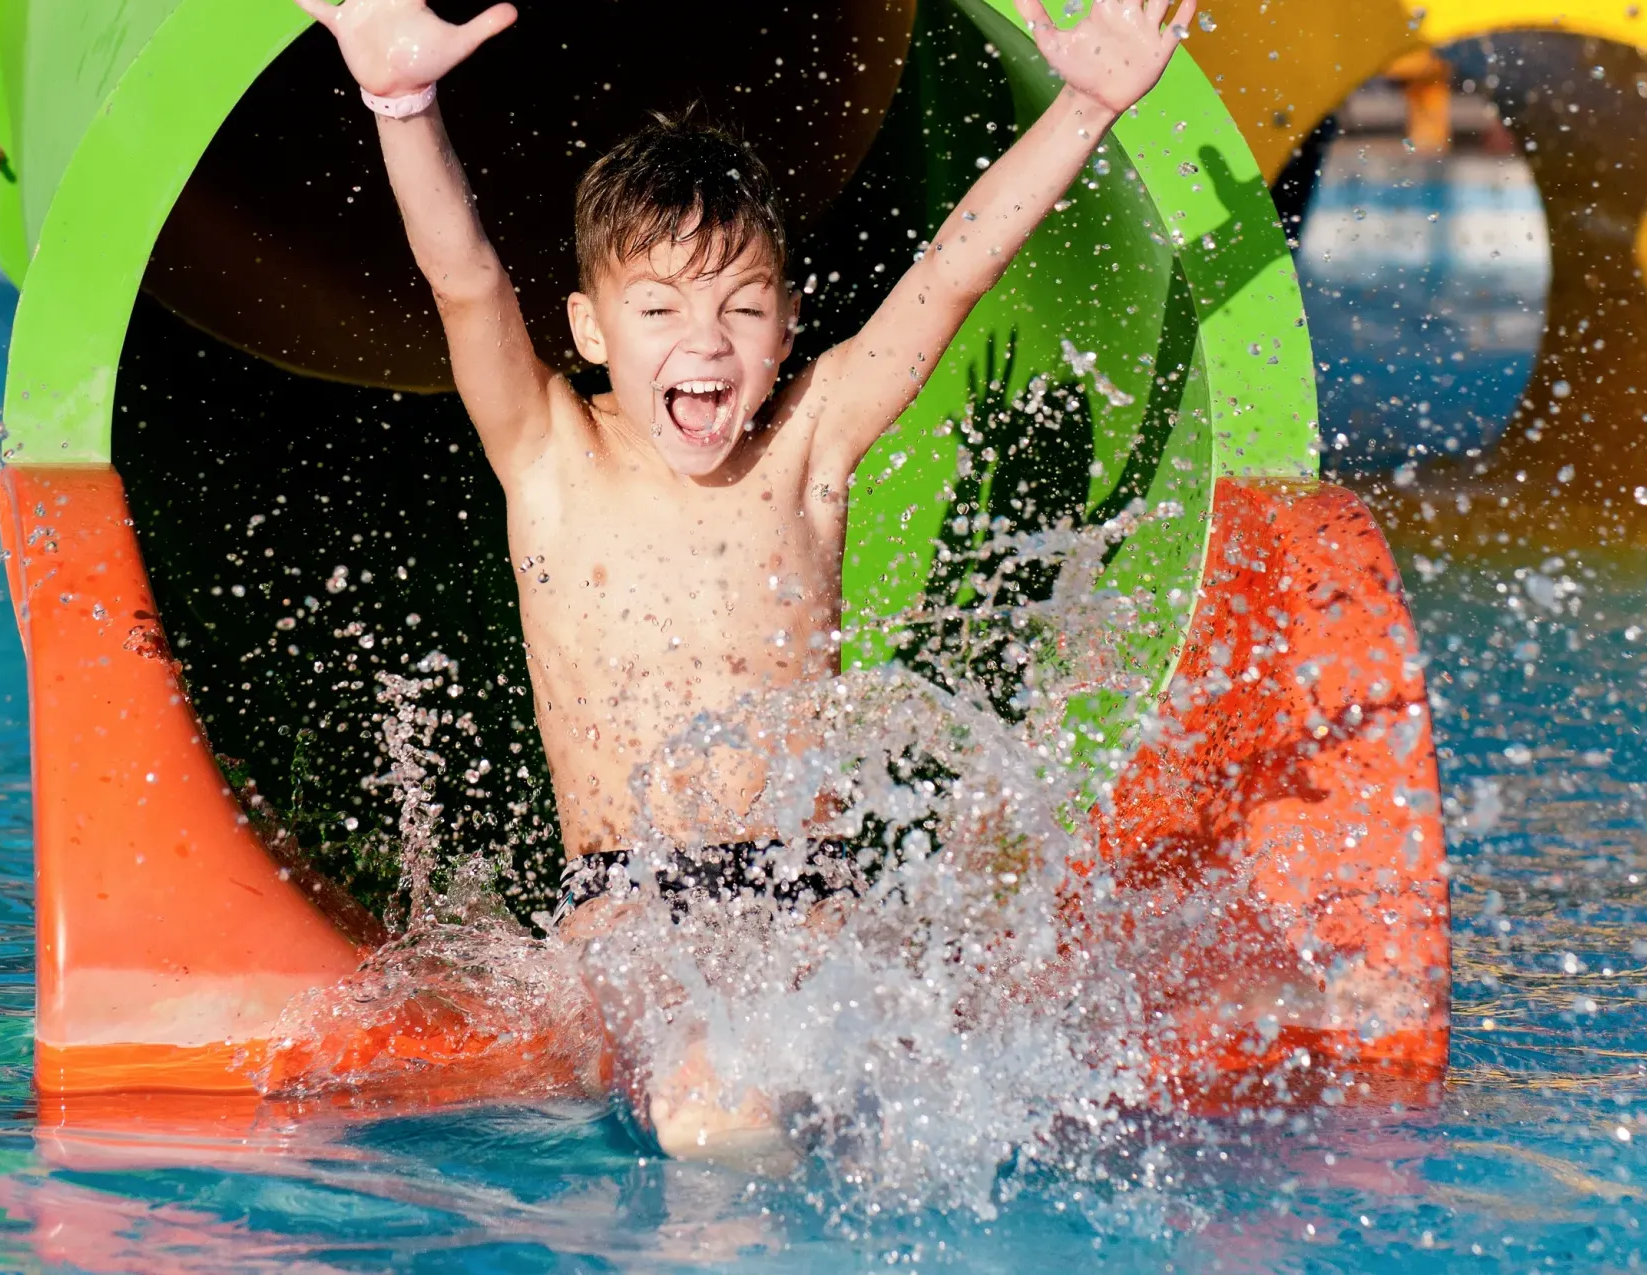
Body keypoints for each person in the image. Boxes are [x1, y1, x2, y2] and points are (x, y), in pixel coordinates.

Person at [293, 0, 1195, 1161]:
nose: (704, 342)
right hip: (624, 903)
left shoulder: (812, 443)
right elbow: (463, 280)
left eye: (742, 308)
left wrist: (1088, 105)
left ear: (788, 329)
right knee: (711, 1089)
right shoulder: (550, 456)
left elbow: (954, 274)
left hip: (806, 888)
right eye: (660, 309)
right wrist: (400, 104)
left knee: (978, 1068)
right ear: (591, 327)